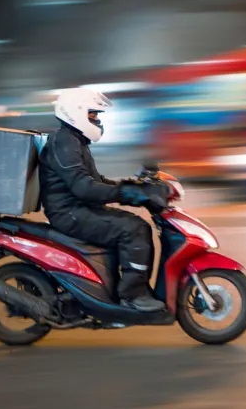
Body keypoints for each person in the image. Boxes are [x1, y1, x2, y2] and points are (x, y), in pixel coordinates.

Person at [39, 87, 170, 313]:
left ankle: (117, 287)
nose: (97, 120)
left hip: (77, 209)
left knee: (132, 224)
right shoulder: (64, 142)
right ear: (76, 112)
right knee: (134, 228)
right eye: (93, 114)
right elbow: (84, 188)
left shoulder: (74, 140)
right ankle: (132, 295)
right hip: (70, 213)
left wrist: (133, 187)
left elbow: (96, 181)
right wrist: (127, 194)